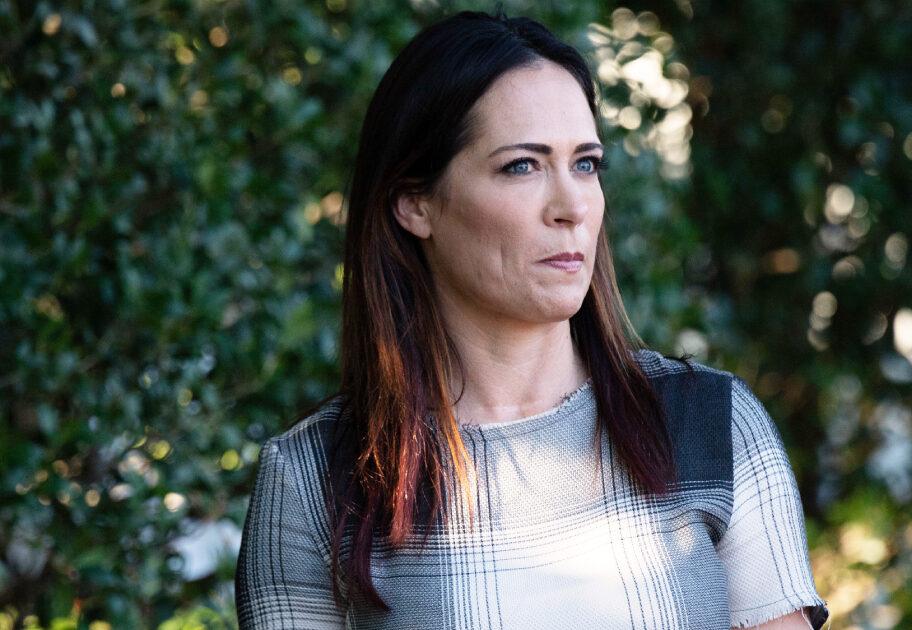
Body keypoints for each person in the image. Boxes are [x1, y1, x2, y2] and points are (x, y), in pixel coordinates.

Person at [235, 9, 828, 629]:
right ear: (414, 203)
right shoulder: (313, 481)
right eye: (523, 165)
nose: (572, 206)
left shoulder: (713, 427)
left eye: (586, 164)